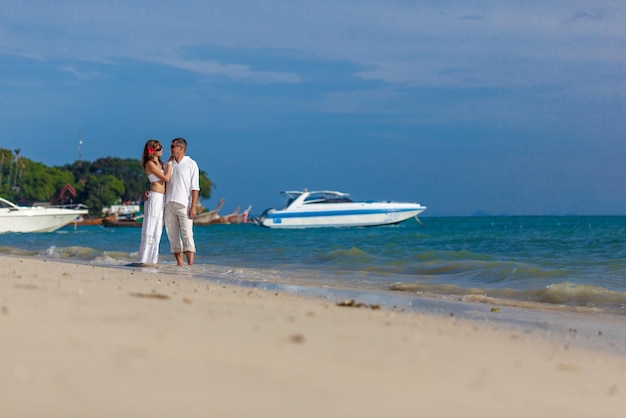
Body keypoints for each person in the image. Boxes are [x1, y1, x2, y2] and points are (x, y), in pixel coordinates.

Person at [164, 137, 200, 266]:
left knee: (187, 235)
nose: (171, 149)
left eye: (173, 147)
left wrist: (193, 206)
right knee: (172, 235)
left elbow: (195, 187)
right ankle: (180, 263)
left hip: (184, 204)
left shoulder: (191, 164)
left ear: (181, 148)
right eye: (171, 146)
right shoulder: (168, 164)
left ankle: (190, 264)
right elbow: (162, 181)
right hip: (168, 203)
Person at [136, 139, 172, 265]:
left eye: (161, 147)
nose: (161, 149)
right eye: (157, 148)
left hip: (162, 197)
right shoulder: (150, 163)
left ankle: (152, 259)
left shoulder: (161, 164)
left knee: (158, 229)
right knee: (150, 227)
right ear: (151, 150)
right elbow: (166, 178)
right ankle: (144, 259)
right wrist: (171, 165)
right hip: (155, 197)